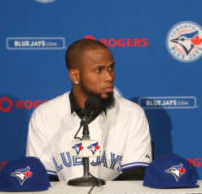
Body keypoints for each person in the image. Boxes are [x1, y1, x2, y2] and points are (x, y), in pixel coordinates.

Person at [26, 39, 152, 181]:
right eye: (99, 70)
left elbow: (135, 176)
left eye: (111, 68)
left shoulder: (132, 114)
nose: (109, 77)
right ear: (75, 76)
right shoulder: (44, 115)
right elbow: (43, 179)